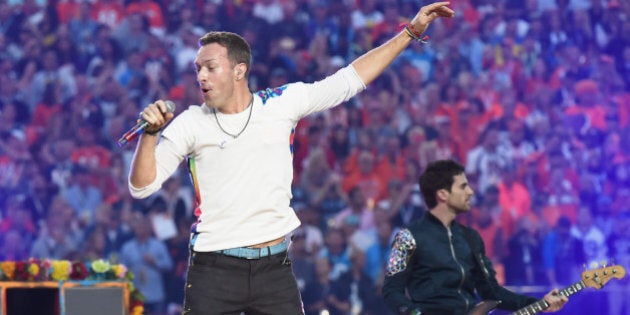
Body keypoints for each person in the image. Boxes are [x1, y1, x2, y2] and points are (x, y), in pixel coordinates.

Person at [127, 2, 454, 314]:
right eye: (198, 69)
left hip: (274, 266)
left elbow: (350, 80)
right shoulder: (190, 123)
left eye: (211, 68)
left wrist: (410, 31)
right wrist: (150, 135)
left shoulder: (280, 104)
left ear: (239, 70)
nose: (201, 76)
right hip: (214, 267)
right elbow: (142, 187)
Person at [382, 159, 568, 315]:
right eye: (463, 186)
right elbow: (392, 291)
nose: (470, 192)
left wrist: (540, 303)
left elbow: (492, 292)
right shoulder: (407, 237)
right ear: (442, 194)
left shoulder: (471, 237)